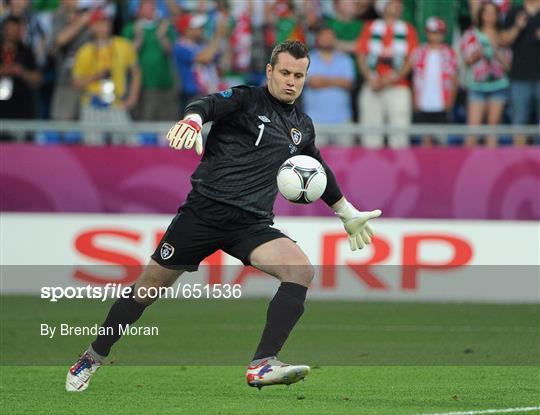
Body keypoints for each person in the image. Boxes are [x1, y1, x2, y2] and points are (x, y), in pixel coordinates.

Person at [65, 40, 382, 392]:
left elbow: (315, 167)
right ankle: (93, 355)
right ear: (270, 72)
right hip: (203, 214)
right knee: (147, 289)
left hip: (251, 224)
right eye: (286, 73)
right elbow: (208, 103)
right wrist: (193, 118)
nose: (292, 81)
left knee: (301, 271)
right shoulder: (247, 99)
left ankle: (262, 364)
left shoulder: (302, 125)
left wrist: (345, 211)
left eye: (300, 75)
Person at [72, 7, 141, 145]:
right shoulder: (85, 52)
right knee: (93, 146)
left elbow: (136, 72)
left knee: (131, 143)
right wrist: (95, 77)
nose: (105, 25)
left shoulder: (122, 45)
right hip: (92, 103)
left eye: (106, 21)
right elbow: (76, 83)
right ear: (92, 27)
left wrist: (133, 97)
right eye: (100, 22)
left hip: (116, 102)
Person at [356, 0, 419, 148]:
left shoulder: (408, 29)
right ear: (383, 7)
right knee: (370, 132)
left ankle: (399, 170)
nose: (397, 6)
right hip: (372, 84)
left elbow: (410, 60)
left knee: (399, 133)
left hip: (398, 86)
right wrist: (370, 78)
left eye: (399, 4)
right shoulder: (370, 27)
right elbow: (361, 55)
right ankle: (370, 168)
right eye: (393, 3)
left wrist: (388, 80)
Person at [460, 2, 512, 147]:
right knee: (473, 128)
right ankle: (466, 165)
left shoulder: (503, 36)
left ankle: (491, 166)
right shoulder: (471, 34)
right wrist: (477, 54)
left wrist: (497, 52)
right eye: (486, 12)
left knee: (493, 127)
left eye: (492, 13)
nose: (489, 16)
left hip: (498, 85)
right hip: (477, 86)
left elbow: (509, 66)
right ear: (481, 15)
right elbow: (466, 61)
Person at [410, 16, 458, 146]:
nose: (435, 36)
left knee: (442, 137)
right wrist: (415, 98)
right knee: (425, 137)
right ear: (426, 33)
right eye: (432, 32)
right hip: (424, 101)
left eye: (438, 32)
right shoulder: (419, 52)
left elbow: (454, 79)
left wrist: (450, 100)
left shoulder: (449, 53)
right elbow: (415, 78)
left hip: (442, 101)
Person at [501, 0, 540, 146]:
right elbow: (502, 41)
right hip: (519, 77)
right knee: (519, 123)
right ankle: (519, 164)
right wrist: (517, 27)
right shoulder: (514, 12)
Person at [303, 26, 355, 127]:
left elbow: (348, 83)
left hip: (342, 119)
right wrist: (338, 81)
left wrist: (322, 80)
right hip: (314, 119)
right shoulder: (306, 59)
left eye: (330, 37)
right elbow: (313, 83)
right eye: (324, 37)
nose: (327, 40)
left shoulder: (345, 59)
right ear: (317, 39)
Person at [0, 16, 41, 141]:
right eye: (9, 28)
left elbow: (37, 78)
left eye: (15, 29)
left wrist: (21, 72)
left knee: (22, 145)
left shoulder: (27, 51)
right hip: (1, 107)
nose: (12, 32)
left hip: (22, 107)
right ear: (4, 29)